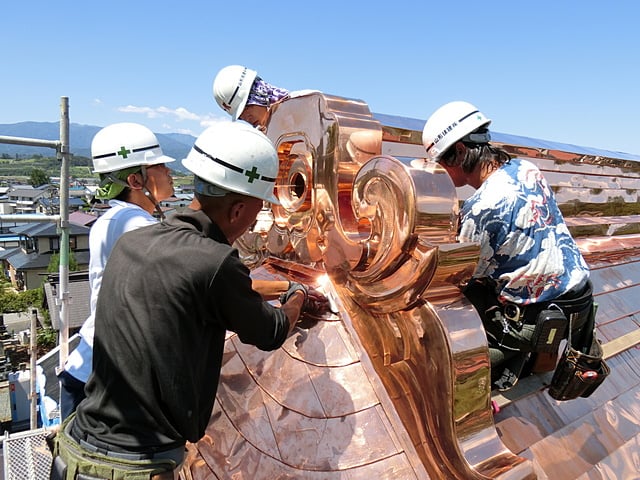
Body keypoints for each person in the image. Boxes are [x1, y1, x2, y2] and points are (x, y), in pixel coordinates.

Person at [50, 122, 328, 480]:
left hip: (77, 445)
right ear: (237, 210)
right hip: (133, 463)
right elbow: (270, 331)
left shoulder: (134, 242)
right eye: (258, 209)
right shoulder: (214, 262)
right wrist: (298, 294)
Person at [422, 101, 595, 391]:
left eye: (442, 162)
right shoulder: (526, 168)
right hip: (577, 306)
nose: (442, 171)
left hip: (535, 322)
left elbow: (461, 276)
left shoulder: (482, 209)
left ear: (461, 152)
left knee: (449, 304)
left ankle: (504, 358)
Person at [57, 122, 175, 421]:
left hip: (85, 369)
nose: (170, 173)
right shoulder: (137, 227)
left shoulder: (111, 220)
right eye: (160, 167)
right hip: (101, 383)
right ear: (137, 180)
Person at [212, 64, 316, 132]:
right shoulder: (264, 138)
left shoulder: (308, 102)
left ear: (258, 93)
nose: (246, 118)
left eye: (245, 108)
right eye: (240, 116)